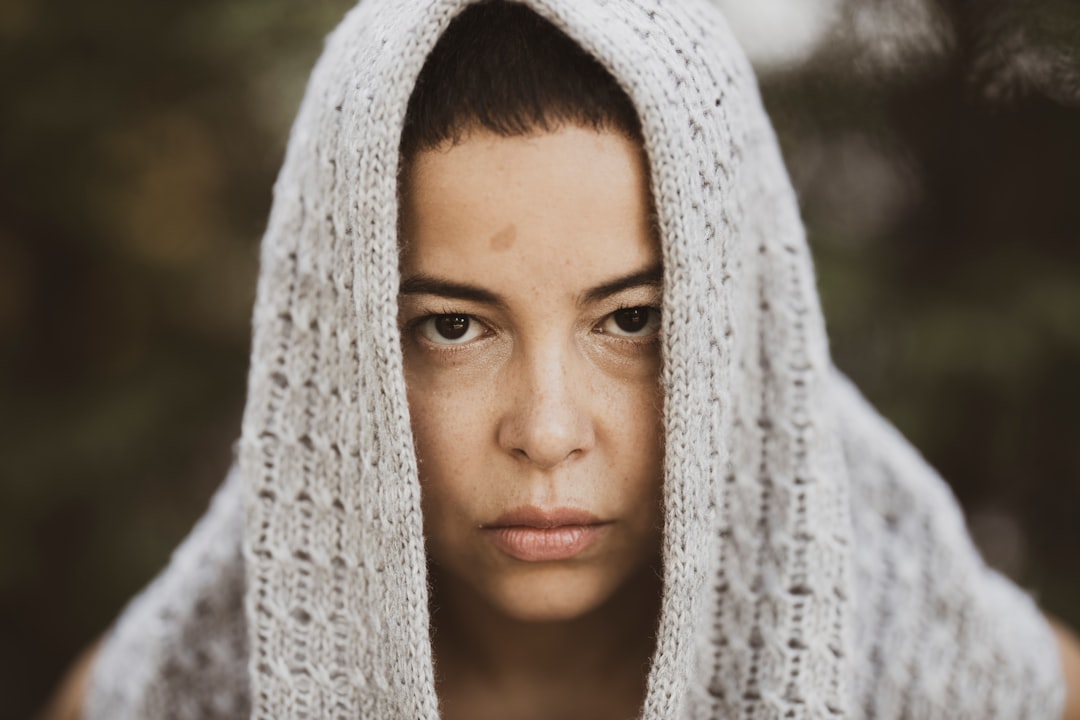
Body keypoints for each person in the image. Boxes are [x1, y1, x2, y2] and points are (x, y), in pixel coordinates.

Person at [47, 1, 1080, 718]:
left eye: (630, 321)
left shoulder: (952, 680)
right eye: (453, 327)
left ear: (739, 338)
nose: (546, 430)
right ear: (337, 358)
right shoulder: (176, 690)